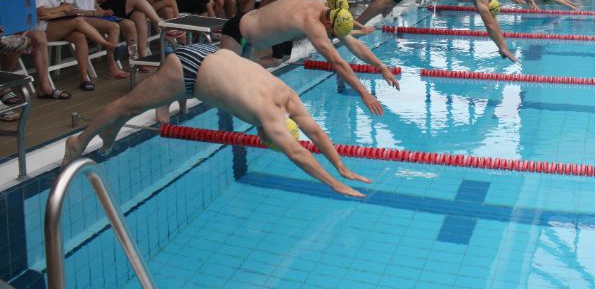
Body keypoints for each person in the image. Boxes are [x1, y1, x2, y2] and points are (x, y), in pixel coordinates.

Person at [61, 44, 371, 198]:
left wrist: (342, 166)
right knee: (126, 105)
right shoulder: (267, 114)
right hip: (189, 70)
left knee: (128, 109)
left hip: (210, 52)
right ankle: (78, 142)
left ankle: (109, 131)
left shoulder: (287, 95)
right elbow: (298, 152)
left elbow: (314, 131)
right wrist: (335, 184)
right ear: (268, 135)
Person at [220, 0, 398, 115]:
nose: (331, 37)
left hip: (257, 30)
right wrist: (364, 93)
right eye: (332, 34)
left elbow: (354, 44)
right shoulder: (312, 24)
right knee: (226, 80)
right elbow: (338, 62)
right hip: (239, 33)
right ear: (328, 24)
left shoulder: (324, 6)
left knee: (244, 79)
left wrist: (381, 67)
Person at [356, 0, 516, 61]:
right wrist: (502, 46)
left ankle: (380, 14)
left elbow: (492, 19)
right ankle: (356, 24)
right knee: (387, 1)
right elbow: (490, 24)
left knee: (389, 4)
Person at [22, 0, 123, 91]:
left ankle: (85, 78)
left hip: (59, 23)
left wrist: (54, 12)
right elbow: (41, 13)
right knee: (77, 21)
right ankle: (109, 45)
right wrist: (59, 10)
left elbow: (66, 9)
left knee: (79, 37)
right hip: (40, 29)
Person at [0, 25, 63, 102]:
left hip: (20, 28)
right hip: (6, 31)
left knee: (39, 38)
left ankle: (45, 87)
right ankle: (4, 83)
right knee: (18, 42)